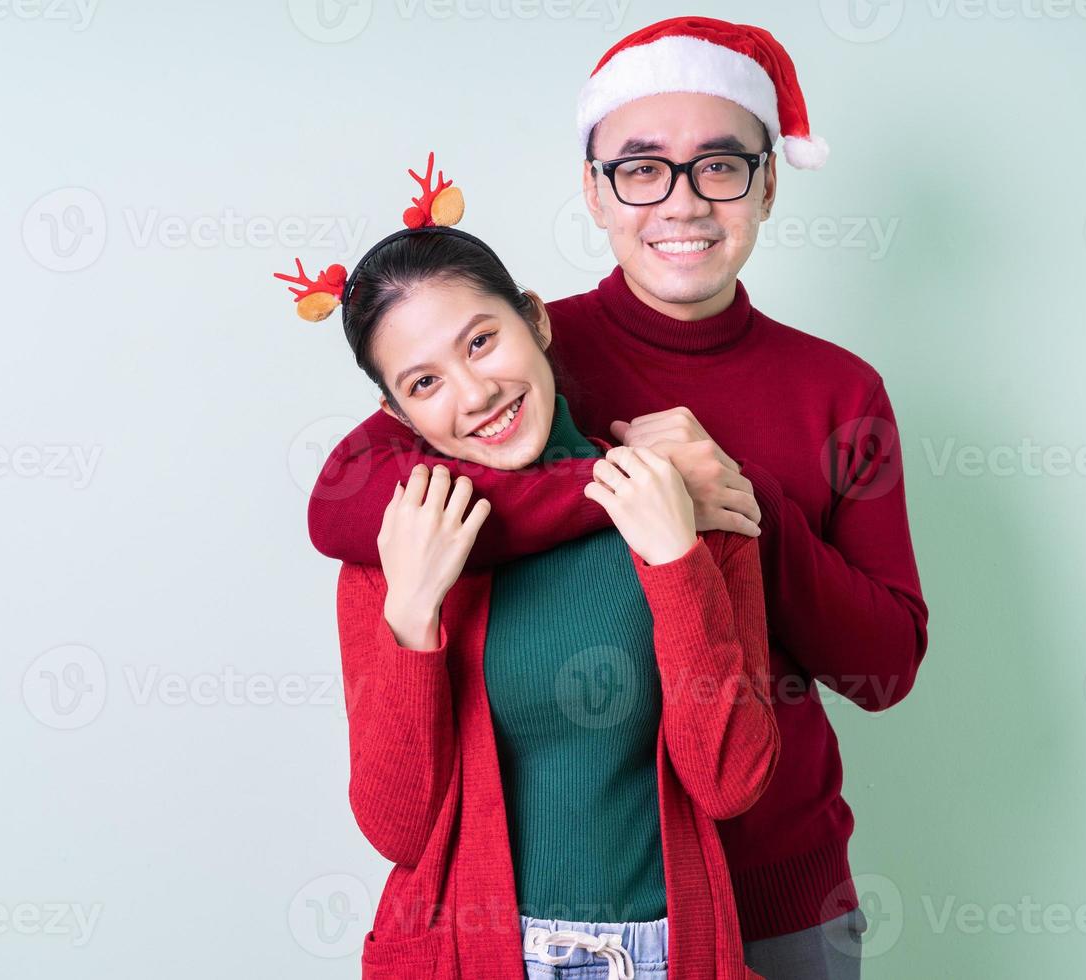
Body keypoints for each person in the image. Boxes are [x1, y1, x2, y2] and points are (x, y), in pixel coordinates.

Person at [309, 18, 930, 980]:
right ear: (596, 191)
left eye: (720, 165)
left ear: (766, 183)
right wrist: (607, 493)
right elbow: (345, 509)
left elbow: (885, 664)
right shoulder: (510, 356)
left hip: (775, 885)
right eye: (641, 169)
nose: (681, 201)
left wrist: (731, 501)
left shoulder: (841, 390)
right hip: (535, 904)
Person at [282, 160, 779, 978]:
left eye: (482, 340)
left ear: (537, 322)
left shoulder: (684, 498)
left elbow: (730, 782)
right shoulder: (401, 551)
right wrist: (411, 616)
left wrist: (675, 560)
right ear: (395, 415)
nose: (474, 392)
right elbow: (397, 829)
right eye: (425, 382)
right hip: (469, 956)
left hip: (665, 955)